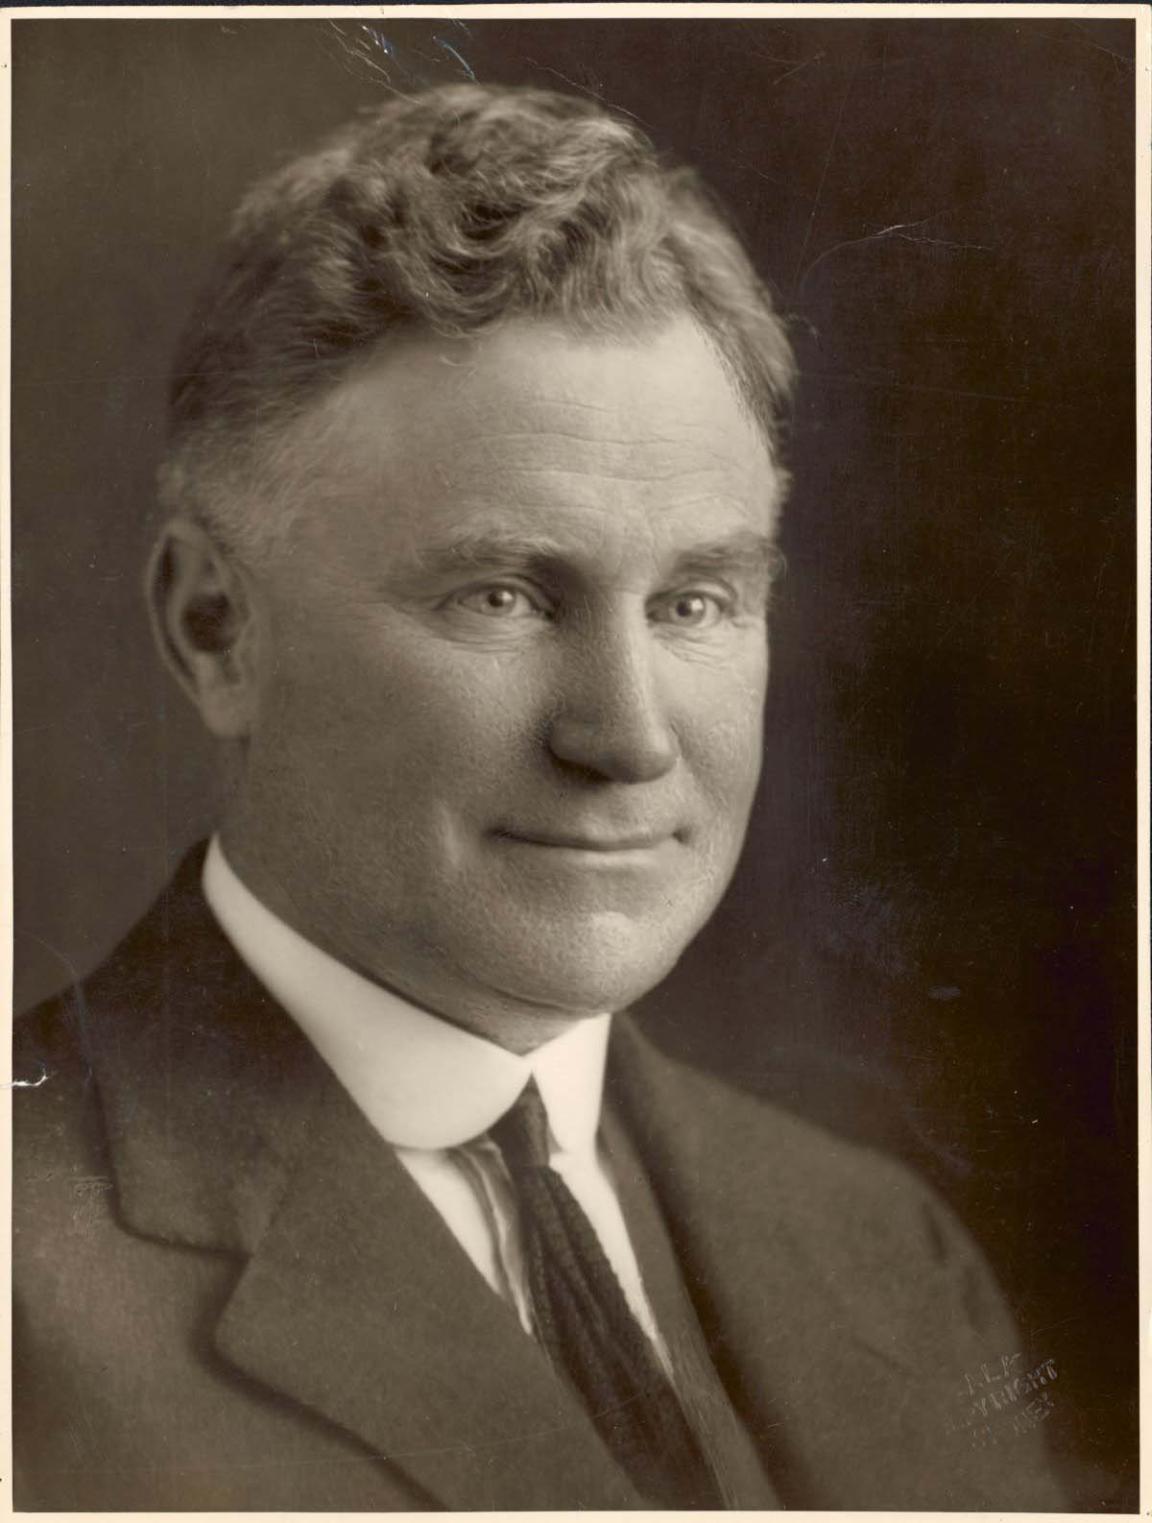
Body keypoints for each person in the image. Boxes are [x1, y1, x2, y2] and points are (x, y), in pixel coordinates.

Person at [13, 83, 1066, 1511]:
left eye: (696, 600)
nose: (628, 739)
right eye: (505, 594)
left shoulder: (885, 1257)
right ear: (216, 628)